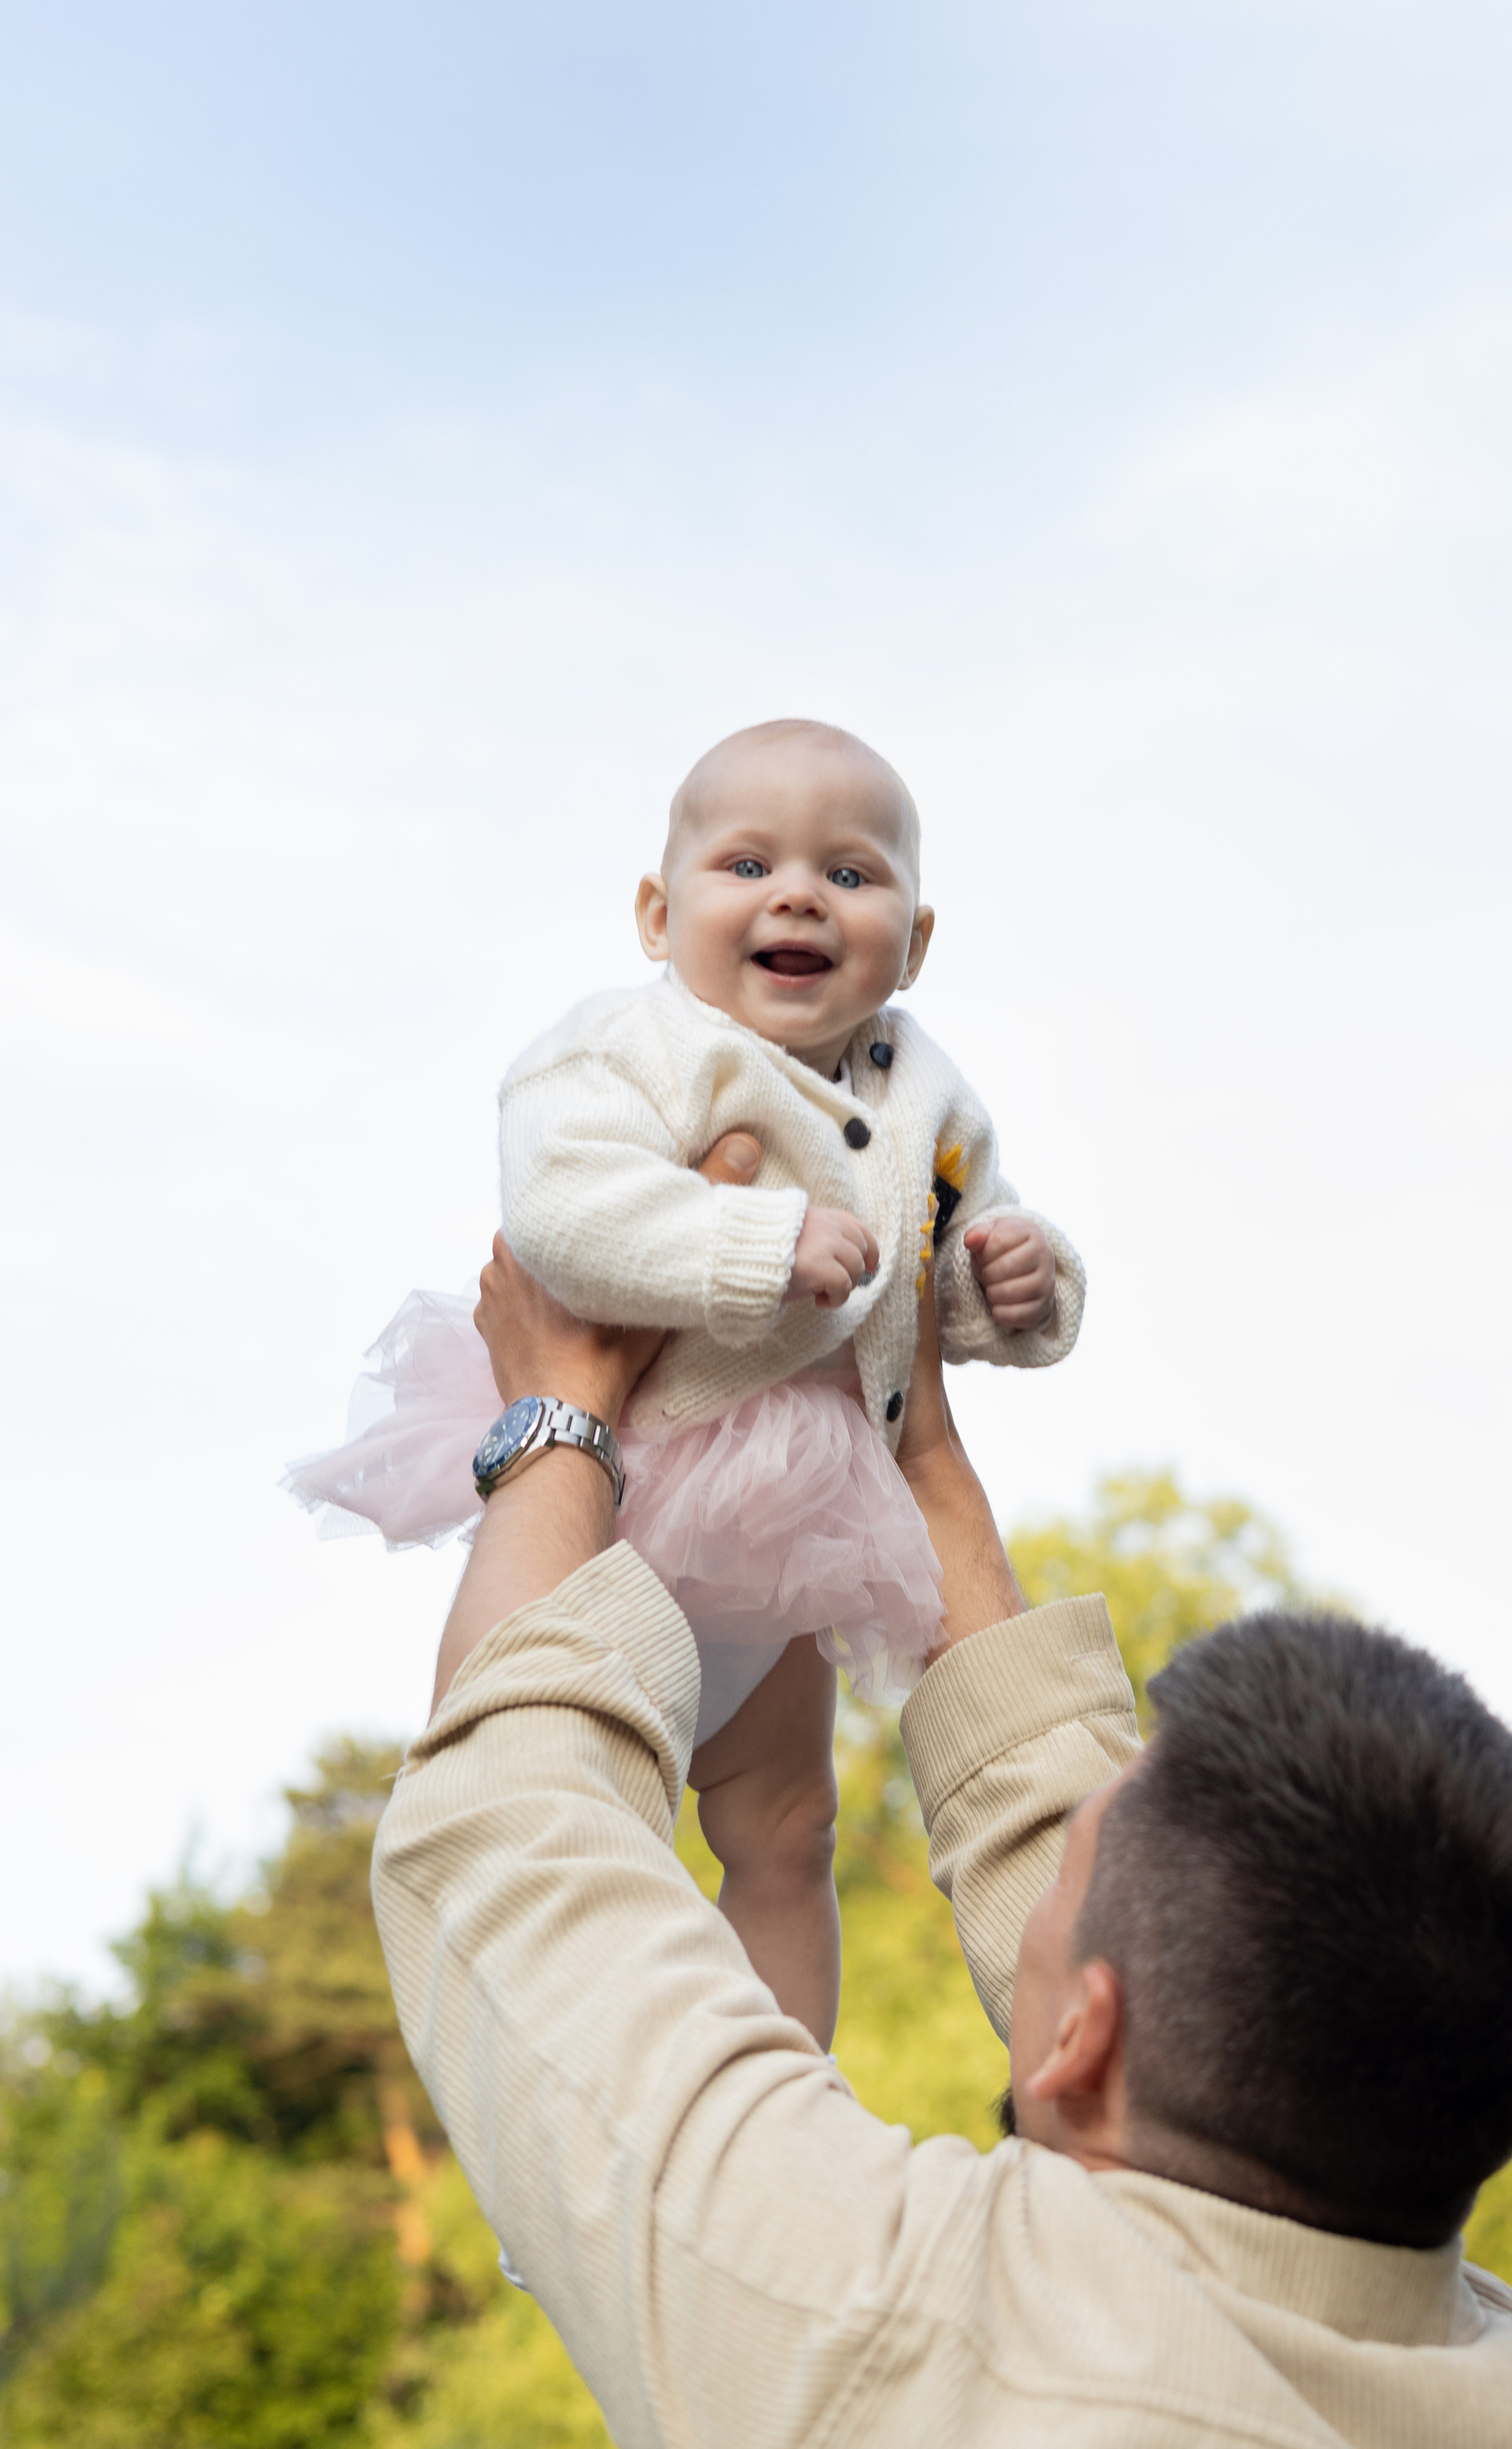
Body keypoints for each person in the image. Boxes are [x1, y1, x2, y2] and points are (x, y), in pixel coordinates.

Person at [372, 1208, 1512, 2449]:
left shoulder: (872, 2333)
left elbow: (512, 1828)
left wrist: (556, 1423)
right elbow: (1177, 1954)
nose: (1056, 1839)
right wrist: (919, 1453)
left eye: (1071, 1861)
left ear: (1083, 2038)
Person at [292, 717, 1081, 2042]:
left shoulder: (932, 1093)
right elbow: (561, 1207)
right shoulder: (630, 1049)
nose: (798, 896)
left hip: (802, 1517)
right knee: (558, 1798)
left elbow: (947, 1251)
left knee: (790, 1825)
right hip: (622, 1483)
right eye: (748, 865)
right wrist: (752, 1242)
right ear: (659, 916)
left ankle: (791, 2086)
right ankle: (547, 2072)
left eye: (850, 873)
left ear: (915, 942)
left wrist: (1016, 1282)